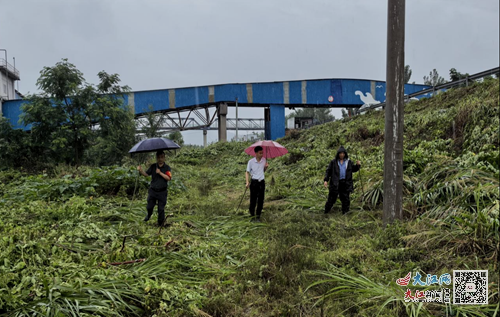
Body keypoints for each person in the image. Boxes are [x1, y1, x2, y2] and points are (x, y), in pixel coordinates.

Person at [138, 151, 172, 226]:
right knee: (149, 206)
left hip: (162, 192)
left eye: (162, 157)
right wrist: (141, 171)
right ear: (156, 158)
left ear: (164, 158)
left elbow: (168, 178)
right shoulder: (153, 166)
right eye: (158, 157)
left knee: (161, 209)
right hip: (153, 191)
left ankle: (160, 224)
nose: (160, 159)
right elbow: (146, 174)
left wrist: (160, 173)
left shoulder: (167, 167)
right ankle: (149, 215)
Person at [324, 146, 361, 214]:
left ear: (345, 154)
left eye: (343, 153)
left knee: (345, 198)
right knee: (331, 199)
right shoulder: (333, 162)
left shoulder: (348, 162)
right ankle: (326, 212)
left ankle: (345, 213)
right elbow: (328, 171)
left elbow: (353, 169)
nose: (342, 155)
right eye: (340, 153)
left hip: (345, 183)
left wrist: (358, 165)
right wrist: (326, 180)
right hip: (335, 183)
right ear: (338, 154)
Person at [245, 146, 269, 222]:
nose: (261, 154)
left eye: (262, 153)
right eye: (260, 153)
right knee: (253, 200)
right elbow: (247, 172)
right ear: (256, 153)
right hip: (254, 182)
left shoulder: (264, 160)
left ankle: (258, 216)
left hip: (261, 182)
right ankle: (252, 216)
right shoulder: (251, 162)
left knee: (261, 200)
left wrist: (266, 168)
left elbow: (263, 171)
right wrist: (247, 182)